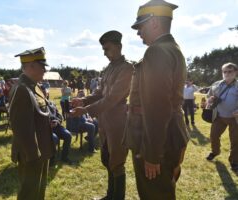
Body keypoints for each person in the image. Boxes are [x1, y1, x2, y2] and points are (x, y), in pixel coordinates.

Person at [126, 1, 190, 199]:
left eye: (140, 26)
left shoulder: (156, 51)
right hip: (169, 134)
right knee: (163, 190)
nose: (138, 33)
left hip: (156, 142)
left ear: (153, 23)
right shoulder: (172, 48)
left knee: (155, 194)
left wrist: (152, 154)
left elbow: (157, 108)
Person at [71, 30, 133, 200]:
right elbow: (100, 92)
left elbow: (113, 98)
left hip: (118, 120)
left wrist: (86, 110)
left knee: (117, 162)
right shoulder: (109, 68)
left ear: (119, 46)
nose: (105, 53)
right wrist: (83, 100)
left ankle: (117, 197)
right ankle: (110, 195)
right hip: (105, 120)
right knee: (107, 158)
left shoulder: (127, 68)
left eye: (107, 49)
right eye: (103, 50)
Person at [9, 47, 55, 200]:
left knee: (39, 190)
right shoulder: (22, 89)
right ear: (30, 66)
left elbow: (38, 114)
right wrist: (33, 156)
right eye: (42, 66)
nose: (44, 70)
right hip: (32, 153)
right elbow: (20, 128)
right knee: (29, 193)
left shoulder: (34, 86)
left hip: (42, 147)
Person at [205, 62, 238, 172]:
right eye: (225, 71)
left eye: (230, 71)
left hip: (235, 119)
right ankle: (215, 152)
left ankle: (234, 161)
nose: (227, 74)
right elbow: (209, 95)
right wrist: (209, 100)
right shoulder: (217, 84)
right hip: (219, 117)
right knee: (213, 136)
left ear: (235, 72)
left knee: (235, 141)